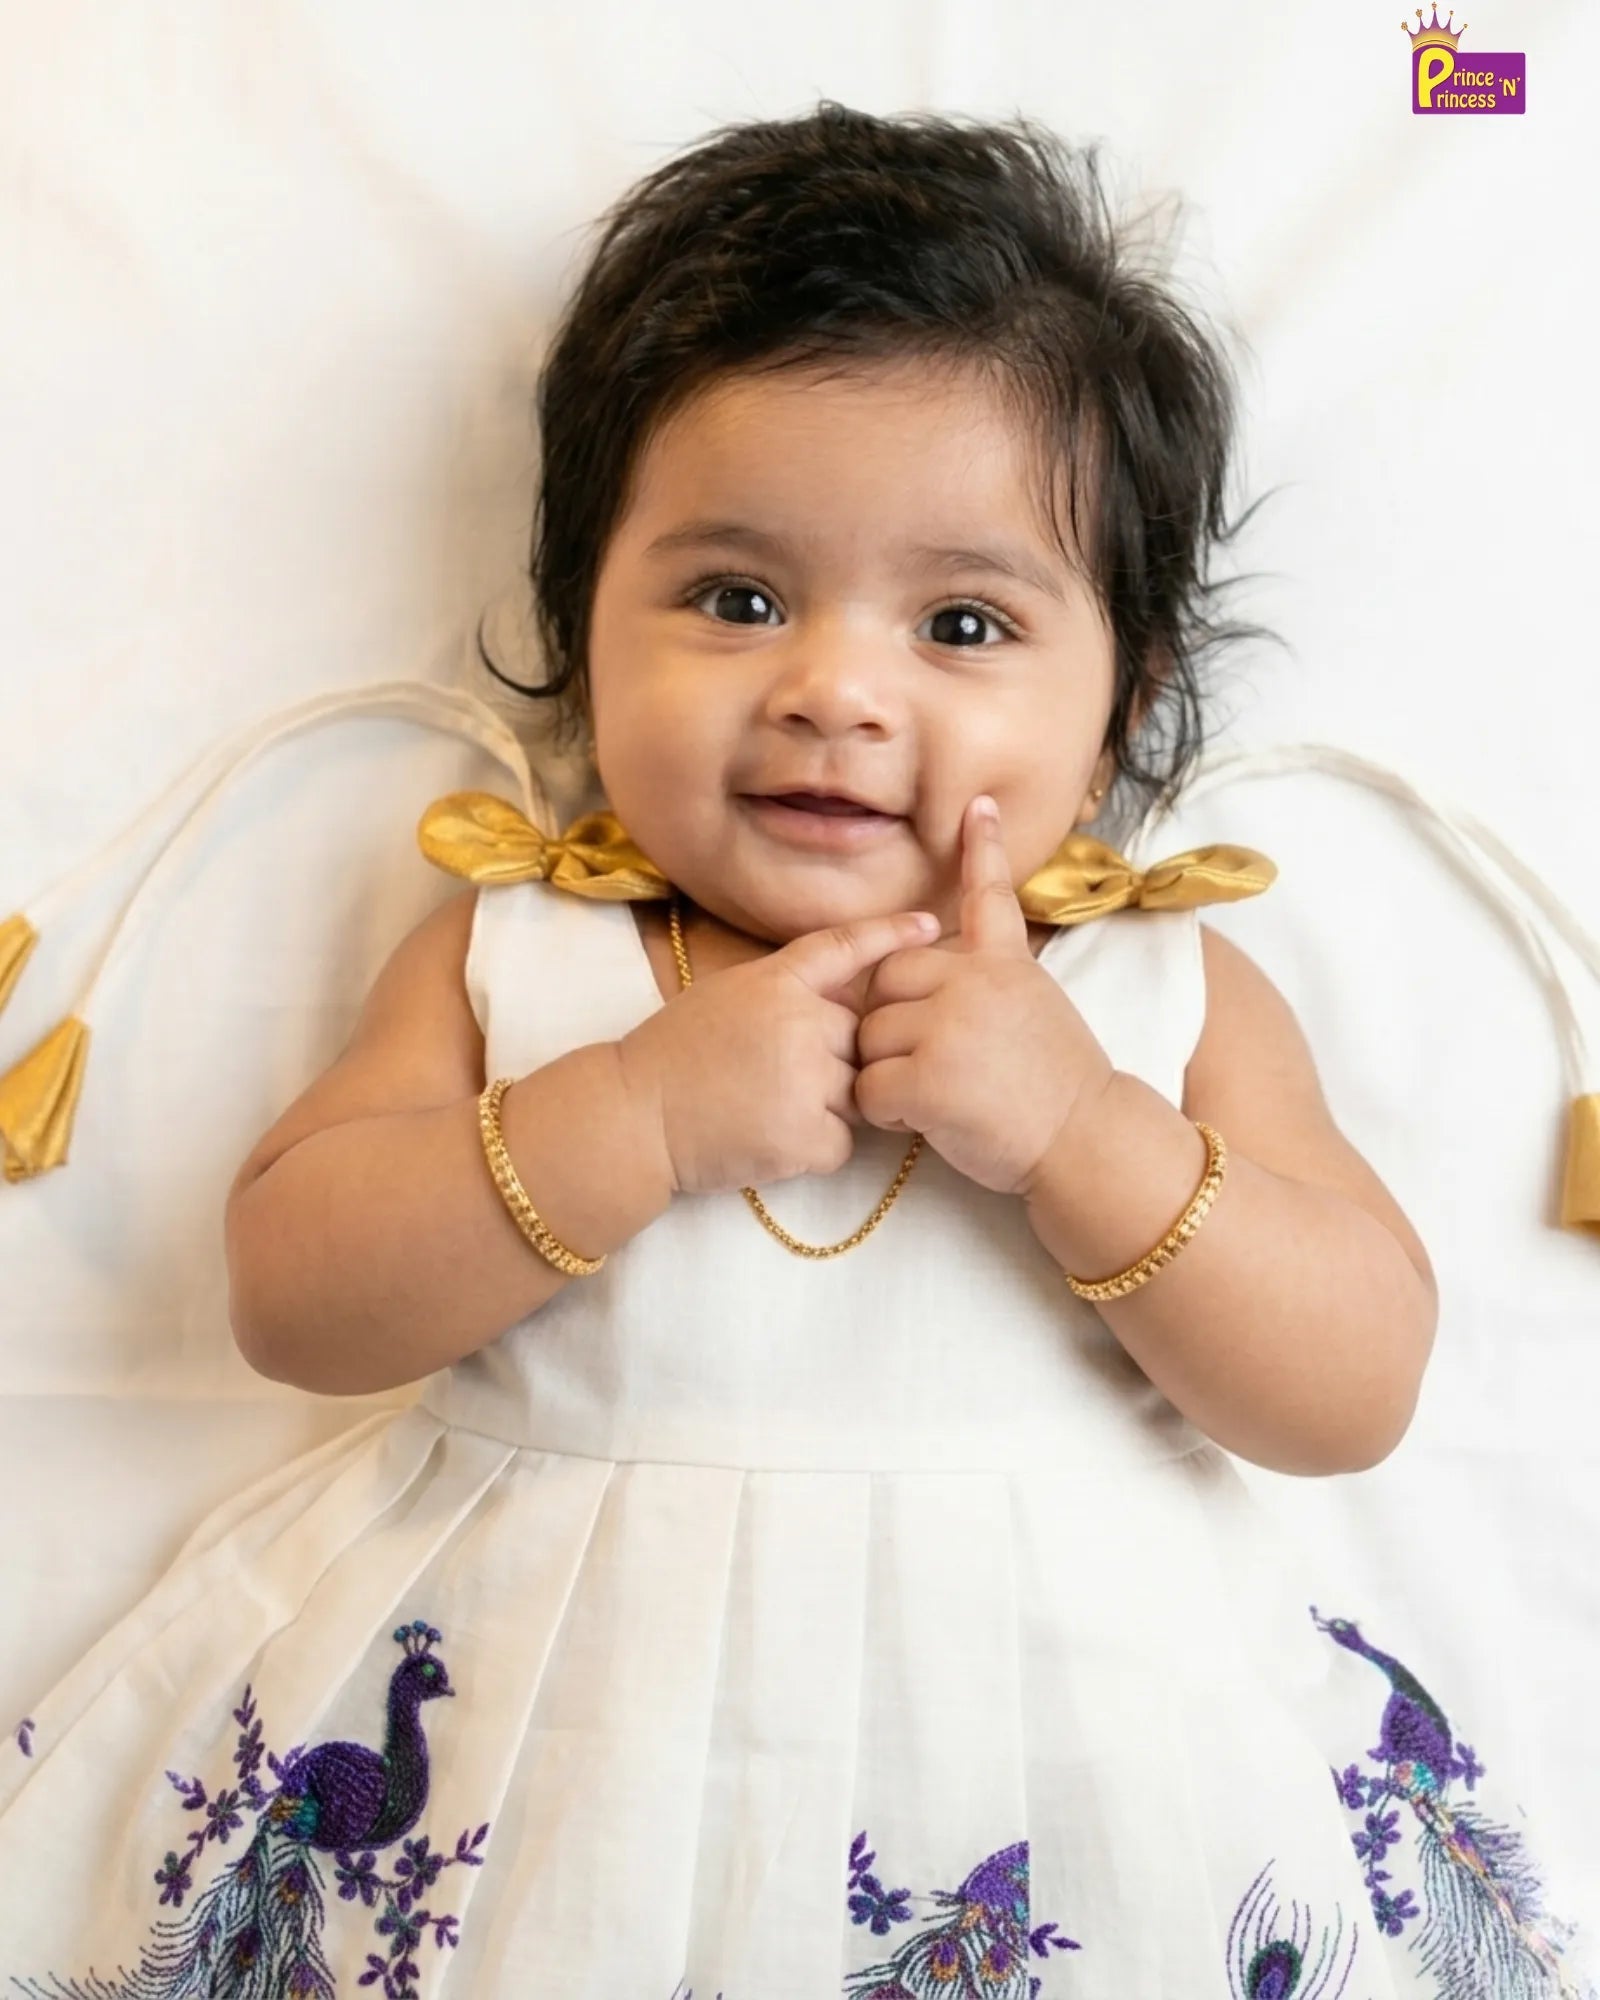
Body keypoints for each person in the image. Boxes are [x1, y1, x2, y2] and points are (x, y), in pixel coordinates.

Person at [1, 99, 1593, 2000]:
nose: (834, 687)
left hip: (1066, 1781)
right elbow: (298, 1302)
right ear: (584, 618)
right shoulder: (522, 952)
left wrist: (1076, 1124)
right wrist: (638, 1115)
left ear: (1123, 700)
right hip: (540, 1783)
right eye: (735, 598)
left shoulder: (1161, 998)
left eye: (964, 621)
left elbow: (1350, 1392)